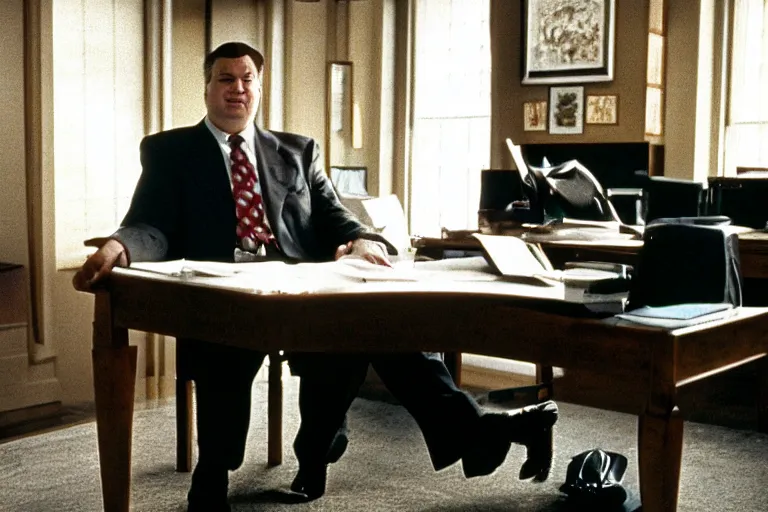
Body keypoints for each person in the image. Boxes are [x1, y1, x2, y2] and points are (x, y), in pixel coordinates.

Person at [73, 41, 559, 511]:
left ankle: (339, 448)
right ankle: (216, 470)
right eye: (226, 79)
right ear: (207, 88)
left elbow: (335, 217)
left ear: (260, 89)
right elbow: (150, 224)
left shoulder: (297, 151)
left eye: (248, 80)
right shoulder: (170, 151)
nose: (237, 89)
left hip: (301, 287)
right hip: (223, 292)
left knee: (384, 325)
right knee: (228, 352)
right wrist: (120, 246)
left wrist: (366, 240)